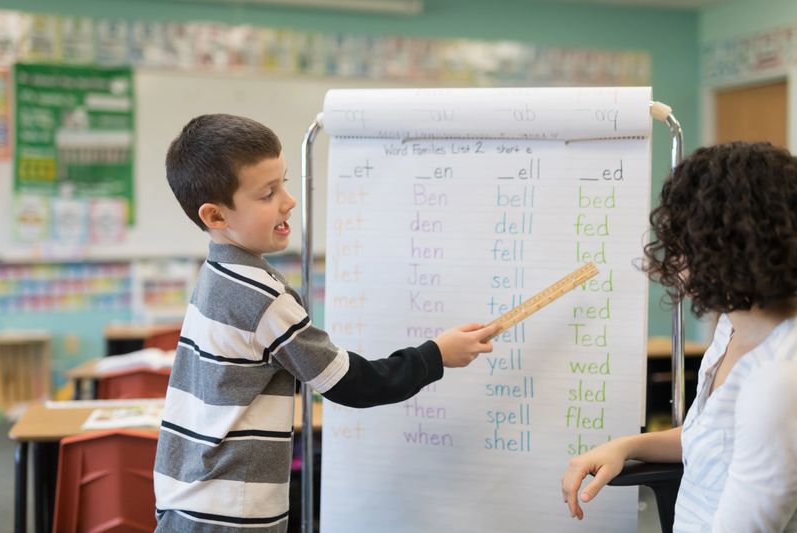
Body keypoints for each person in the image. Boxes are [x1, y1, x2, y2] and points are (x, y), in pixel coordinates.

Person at [153, 114, 499, 532]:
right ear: (216, 216)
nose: (288, 201)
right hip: (229, 513)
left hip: (186, 500)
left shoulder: (217, 275)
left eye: (284, 183)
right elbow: (352, 383)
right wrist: (436, 356)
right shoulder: (261, 296)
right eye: (267, 194)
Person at [560, 141, 797, 531]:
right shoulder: (730, 330)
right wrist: (627, 445)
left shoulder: (777, 379)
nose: (672, 257)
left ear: (725, 244)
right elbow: (710, 439)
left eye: (682, 239)